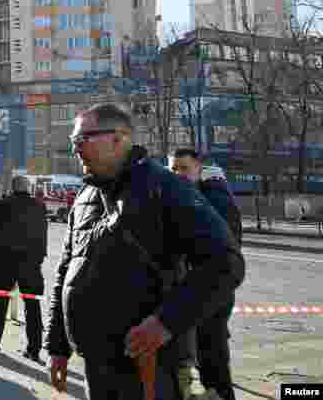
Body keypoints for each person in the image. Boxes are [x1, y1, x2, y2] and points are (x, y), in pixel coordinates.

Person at [46, 105, 245, 400]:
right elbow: (66, 273)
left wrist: (166, 322)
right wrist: (58, 347)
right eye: (74, 141)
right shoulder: (85, 196)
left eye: (83, 138)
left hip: (148, 368)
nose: (76, 148)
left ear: (118, 138)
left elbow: (226, 263)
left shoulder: (164, 188)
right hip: (95, 363)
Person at [170, 149, 241, 400]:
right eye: (173, 169)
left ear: (199, 169)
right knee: (200, 356)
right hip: (194, 291)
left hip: (211, 291)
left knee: (212, 361)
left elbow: (223, 255)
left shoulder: (213, 199)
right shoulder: (191, 195)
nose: (178, 174)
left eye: (184, 168)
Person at [0, 173, 47, 364]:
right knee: (33, 306)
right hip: (31, 264)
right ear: (28, 188)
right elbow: (43, 235)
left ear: (12, 188)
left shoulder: (3, 204)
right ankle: (34, 350)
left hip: (5, 262)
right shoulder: (39, 206)